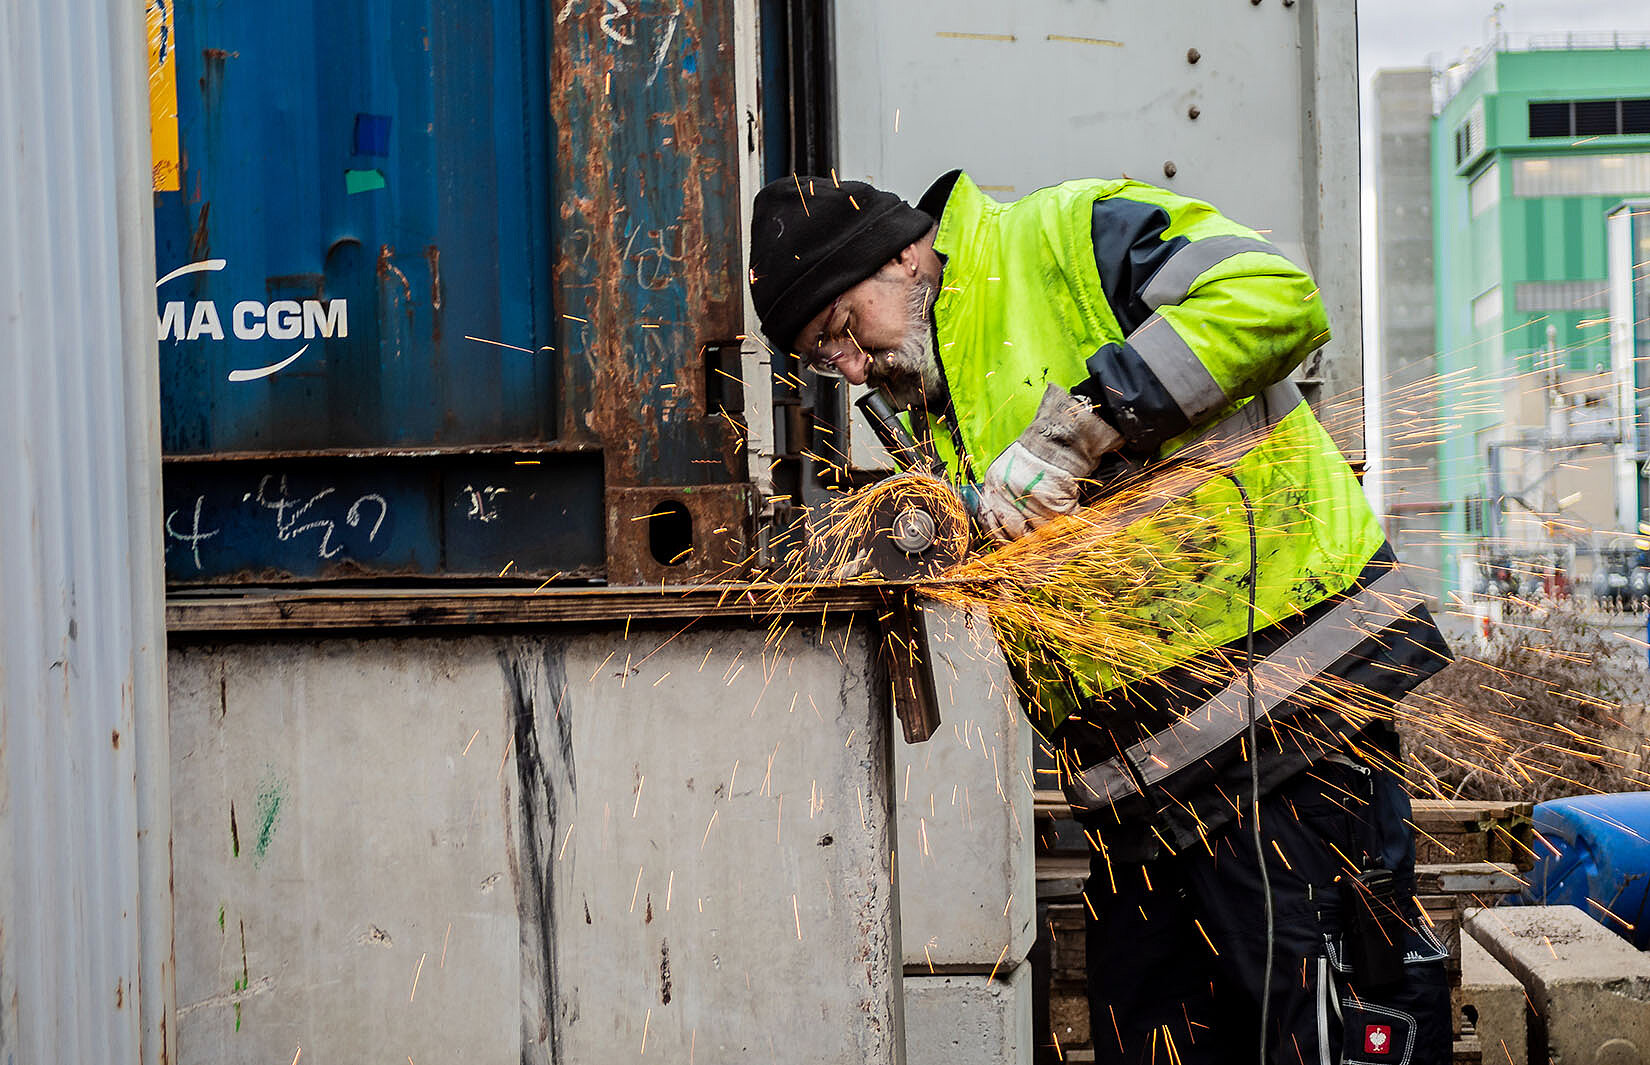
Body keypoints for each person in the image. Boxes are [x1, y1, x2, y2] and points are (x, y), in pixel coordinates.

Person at [748, 171, 1455, 1064]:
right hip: (1146, 792)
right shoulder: (941, 382)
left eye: (845, 328)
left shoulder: (1067, 237)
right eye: (824, 357)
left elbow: (1274, 297)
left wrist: (1085, 425)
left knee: (1319, 1035)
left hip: (1285, 733)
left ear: (902, 254)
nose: (852, 365)